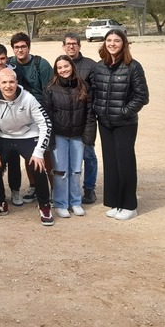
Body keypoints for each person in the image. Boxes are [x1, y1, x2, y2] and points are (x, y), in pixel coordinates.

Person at [0, 68, 55, 226]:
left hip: (27, 136)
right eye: (4, 82)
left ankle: (44, 205)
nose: (8, 86)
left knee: (37, 165)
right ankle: (0, 202)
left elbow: (45, 123)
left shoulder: (28, 98)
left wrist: (39, 152)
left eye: (11, 82)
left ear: (17, 83)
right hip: (4, 137)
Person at [92, 29, 149, 221]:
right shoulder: (99, 66)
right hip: (105, 122)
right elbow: (94, 91)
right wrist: (98, 109)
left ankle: (129, 205)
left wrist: (124, 112)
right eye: (109, 40)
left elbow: (142, 97)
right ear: (104, 43)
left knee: (125, 162)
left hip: (125, 123)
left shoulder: (133, 67)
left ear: (124, 44)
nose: (112, 44)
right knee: (110, 162)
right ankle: (115, 203)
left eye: (117, 41)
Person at [43, 55, 96, 218]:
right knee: (60, 171)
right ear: (56, 71)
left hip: (77, 136)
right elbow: (47, 116)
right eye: (59, 68)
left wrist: (88, 137)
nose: (63, 70)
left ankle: (75, 202)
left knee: (76, 171)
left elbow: (89, 114)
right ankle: (60, 203)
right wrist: (49, 139)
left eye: (66, 66)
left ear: (72, 66)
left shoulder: (84, 87)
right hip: (59, 135)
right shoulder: (50, 89)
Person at [8, 32, 54, 204]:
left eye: (23, 46)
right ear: (13, 49)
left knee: (45, 152)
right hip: (21, 114)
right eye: (17, 47)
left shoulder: (41, 64)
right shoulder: (10, 64)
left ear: (29, 47)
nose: (20, 50)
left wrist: (45, 116)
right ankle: (34, 186)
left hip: (40, 111)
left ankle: (52, 187)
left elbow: (49, 91)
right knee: (28, 152)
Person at [62, 33, 99, 204]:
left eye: (74, 44)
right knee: (69, 157)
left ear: (79, 46)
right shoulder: (61, 64)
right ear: (63, 47)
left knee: (88, 154)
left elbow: (97, 91)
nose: (71, 47)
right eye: (68, 44)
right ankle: (68, 189)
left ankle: (89, 188)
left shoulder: (90, 65)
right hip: (67, 120)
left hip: (86, 118)